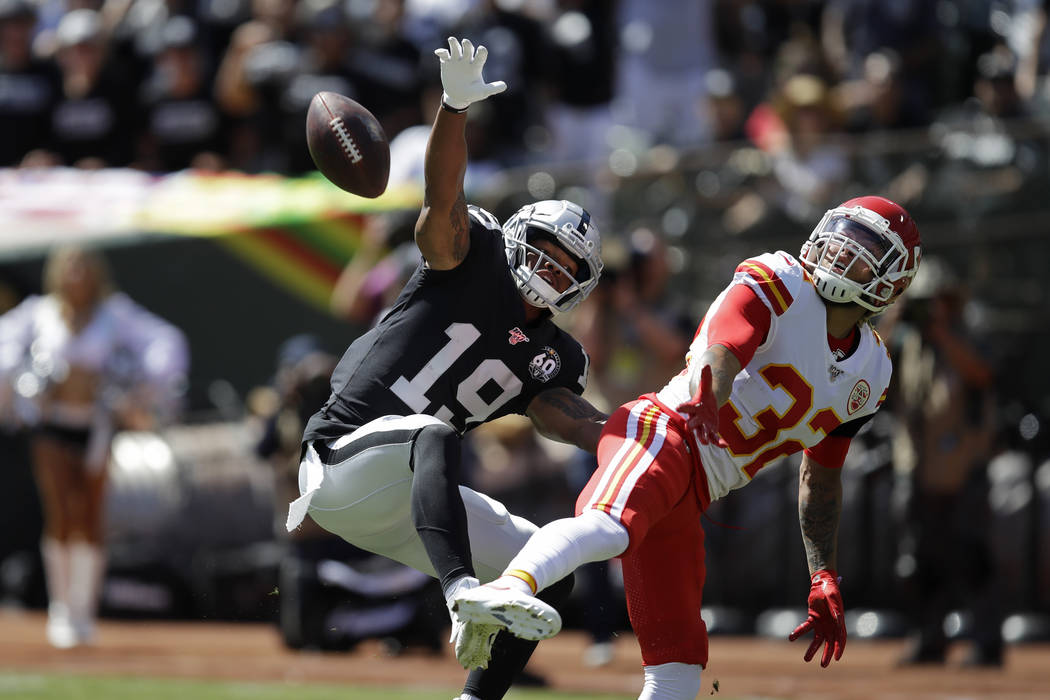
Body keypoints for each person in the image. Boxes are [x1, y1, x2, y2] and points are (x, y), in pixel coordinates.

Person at [454, 196, 923, 698]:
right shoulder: (781, 279)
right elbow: (726, 345)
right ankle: (508, 589)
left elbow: (822, 476)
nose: (842, 247)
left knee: (678, 666)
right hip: (665, 432)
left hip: (698, 492)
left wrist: (822, 572)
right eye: (843, 232)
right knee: (612, 527)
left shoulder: (871, 375)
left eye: (865, 244)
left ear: (892, 279)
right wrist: (710, 399)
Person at [285, 37, 607, 700]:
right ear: (518, 235)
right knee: (429, 432)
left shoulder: (558, 355)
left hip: (416, 504)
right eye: (545, 250)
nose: (552, 268)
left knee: (548, 570)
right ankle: (461, 596)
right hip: (345, 458)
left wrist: (644, 434)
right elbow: (441, 196)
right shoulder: (471, 250)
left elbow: (569, 419)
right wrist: (454, 108)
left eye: (567, 266)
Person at [0, 245, 189, 649]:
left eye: (83, 265)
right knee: (60, 511)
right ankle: (61, 610)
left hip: (97, 426)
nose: (76, 273)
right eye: (69, 265)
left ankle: (83, 612)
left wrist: (142, 390)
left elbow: (164, 343)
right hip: (53, 426)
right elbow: (5, 346)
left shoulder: (114, 314)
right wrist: (21, 389)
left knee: (89, 513)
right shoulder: (40, 312)